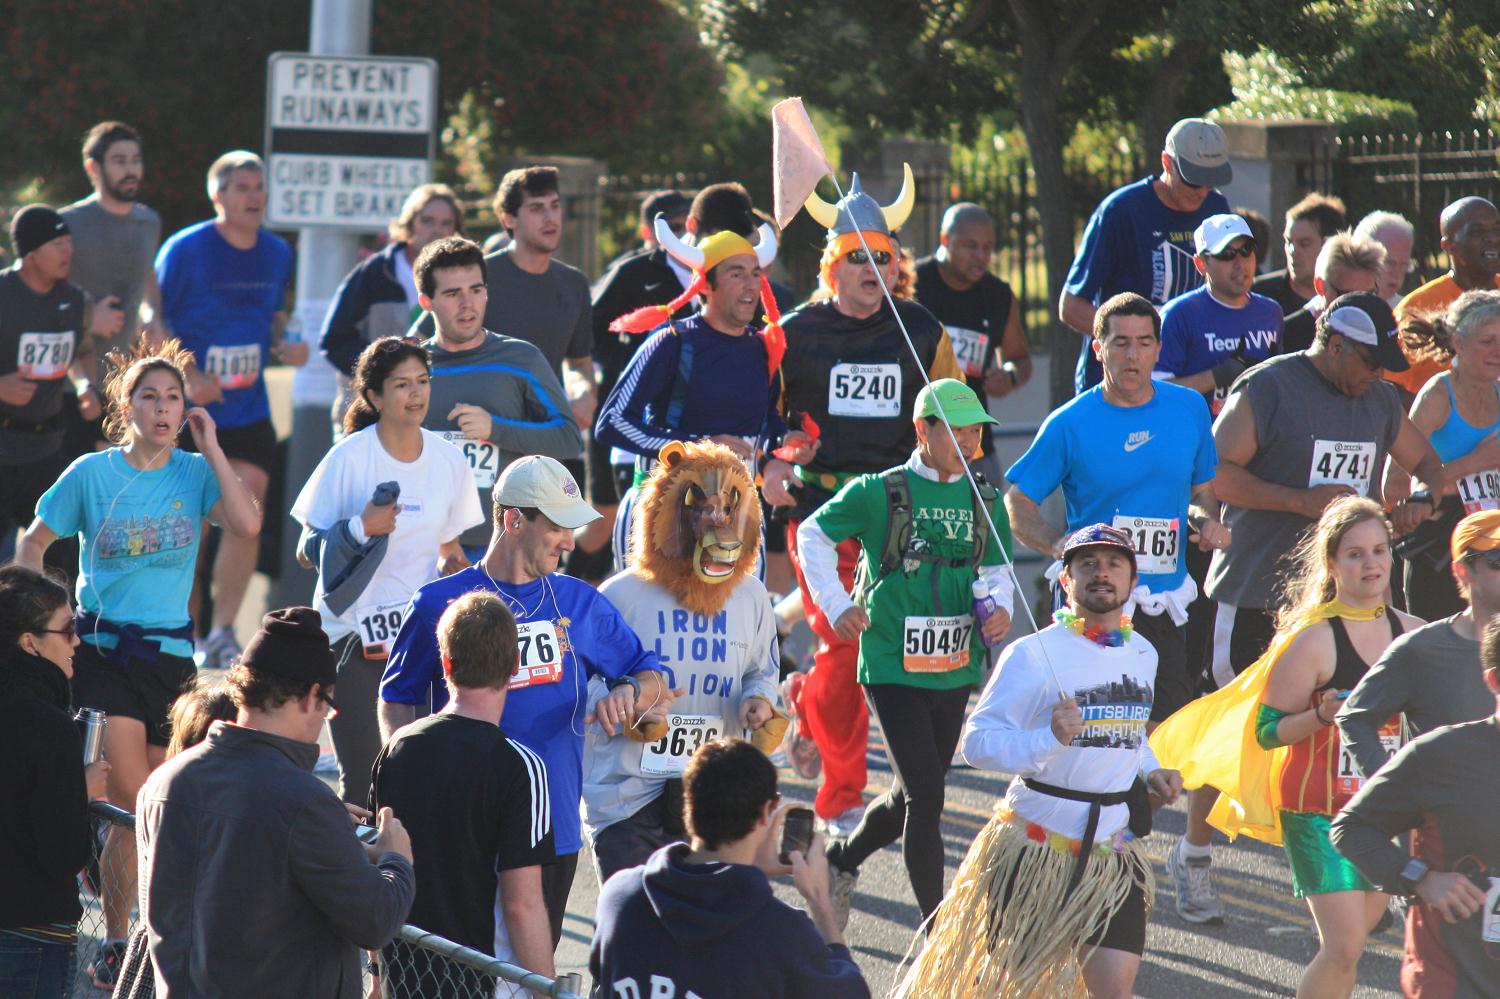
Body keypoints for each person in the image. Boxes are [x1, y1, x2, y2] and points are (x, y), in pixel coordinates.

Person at [1183, 292, 1443, 924]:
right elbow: (1211, 472)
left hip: (1335, 604)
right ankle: (1192, 857)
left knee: (1340, 730)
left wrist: (1411, 501)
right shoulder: (1270, 387)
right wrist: (1303, 502)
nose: (1376, 375)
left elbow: (1427, 466)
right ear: (1333, 344)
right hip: (1252, 592)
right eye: (1366, 361)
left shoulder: (1379, 400)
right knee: (1242, 723)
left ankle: (1342, 872)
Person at [15, 337, 260, 988]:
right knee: (133, 794)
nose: (161, 406)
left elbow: (247, 523)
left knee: (162, 795)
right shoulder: (92, 475)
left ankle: (155, 923)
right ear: (126, 406)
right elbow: (34, 540)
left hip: (172, 655)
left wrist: (211, 446)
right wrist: (37, 617)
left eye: (173, 397)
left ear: (185, 409)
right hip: (100, 650)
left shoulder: (195, 471)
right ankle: (120, 939)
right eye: (148, 395)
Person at [378, 455, 665, 947]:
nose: (570, 542)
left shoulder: (579, 602)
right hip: (457, 829)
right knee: (449, 971)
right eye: (557, 527)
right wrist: (404, 787)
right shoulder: (437, 602)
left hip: (549, 829)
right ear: (514, 520)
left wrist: (628, 691)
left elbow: (653, 675)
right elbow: (396, 699)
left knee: (526, 971)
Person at [760, 165, 963, 837]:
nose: (872, 269)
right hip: (824, 514)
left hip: (903, 512)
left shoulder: (920, 329)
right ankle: (842, 794)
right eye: (858, 259)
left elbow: (956, 416)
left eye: (883, 257)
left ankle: (801, 698)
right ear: (832, 266)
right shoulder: (795, 333)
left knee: (900, 651)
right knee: (848, 648)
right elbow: (766, 422)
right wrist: (784, 448)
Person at [897, 524, 1182, 999]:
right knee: (1013, 988)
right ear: (1065, 581)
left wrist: (1150, 770)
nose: (1102, 573)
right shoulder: (1031, 655)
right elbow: (977, 742)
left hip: (1112, 854)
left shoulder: (1143, 653)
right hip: (1035, 850)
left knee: (1115, 990)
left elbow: (1127, 734)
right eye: (1087, 564)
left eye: (1114, 564)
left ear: (1133, 582)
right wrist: (1046, 739)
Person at [1154, 496, 1420, 999]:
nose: (1371, 564)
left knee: (1356, 943)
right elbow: (1267, 731)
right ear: (1332, 564)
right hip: (1319, 811)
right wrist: (1320, 716)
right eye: (1356, 554)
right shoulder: (1314, 641)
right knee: (1342, 947)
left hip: (1385, 811)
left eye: (1379, 551)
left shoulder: (1414, 634)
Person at [797, 379, 1015, 926]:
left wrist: (999, 608)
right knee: (927, 796)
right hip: (891, 660)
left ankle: (840, 859)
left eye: (974, 431)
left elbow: (994, 568)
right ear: (923, 430)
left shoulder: (985, 498)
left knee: (909, 796)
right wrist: (833, 602)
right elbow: (811, 534)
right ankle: (937, 930)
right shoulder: (879, 491)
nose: (969, 442)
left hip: (952, 665)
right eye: (958, 430)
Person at [136, 607, 415, 999]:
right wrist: (395, 858)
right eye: (327, 706)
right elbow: (375, 920)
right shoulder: (305, 801)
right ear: (311, 695)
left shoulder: (164, 781)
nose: (324, 719)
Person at [1006, 293, 1227, 738]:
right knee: (1101, 738)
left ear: (1158, 350)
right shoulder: (1070, 422)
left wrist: (1204, 521)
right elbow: (1017, 503)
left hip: (1167, 602)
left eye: (1144, 342)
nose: (1133, 355)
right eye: (1121, 343)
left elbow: (1202, 492)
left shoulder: (1188, 409)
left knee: (1162, 741)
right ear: (1098, 348)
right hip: (1098, 602)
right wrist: (1058, 544)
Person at [291, 336, 483, 804]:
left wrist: (457, 567)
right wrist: (360, 527)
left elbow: (448, 548)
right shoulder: (349, 457)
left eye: (422, 382)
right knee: (364, 783)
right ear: (375, 396)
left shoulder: (448, 460)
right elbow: (305, 550)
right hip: (352, 639)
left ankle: (411, 876)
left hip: (420, 640)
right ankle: (357, 876)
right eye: (401, 385)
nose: (416, 394)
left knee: (419, 779)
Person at [585, 439, 783, 882]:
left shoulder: (750, 594)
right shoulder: (620, 595)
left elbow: (762, 670)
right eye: (701, 508)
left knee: (703, 935)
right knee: (636, 929)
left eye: (728, 508)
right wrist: (628, 701)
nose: (716, 520)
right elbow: (583, 685)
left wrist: (759, 700)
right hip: (627, 796)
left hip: (713, 803)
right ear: (669, 511)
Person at [155, 150, 303, 669]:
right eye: (242, 187)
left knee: (249, 513)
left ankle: (222, 632)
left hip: (248, 408)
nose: (254, 197)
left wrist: (287, 344)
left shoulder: (277, 252)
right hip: (187, 412)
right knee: (188, 526)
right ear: (217, 195)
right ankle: (187, 631)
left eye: (259, 187)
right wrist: (189, 378)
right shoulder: (186, 250)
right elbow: (152, 320)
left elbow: (276, 317)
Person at [370, 591, 555, 998]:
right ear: (515, 665)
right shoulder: (520, 766)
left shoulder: (399, 747)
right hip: (483, 981)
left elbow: (380, 868)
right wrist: (548, 992)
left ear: (446, 663)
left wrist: (378, 976)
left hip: (407, 975)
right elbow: (521, 906)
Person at [589, 738, 870, 999]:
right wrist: (820, 901)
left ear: (687, 805)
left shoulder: (618, 897)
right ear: (765, 813)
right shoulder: (781, 932)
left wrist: (746, 870)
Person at [597, 216, 799, 574]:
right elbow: (610, 423)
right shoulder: (672, 341)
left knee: (738, 630)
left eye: (755, 273)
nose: (751, 286)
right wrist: (695, 447)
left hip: (737, 517)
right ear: (705, 284)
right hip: (664, 517)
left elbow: (768, 423)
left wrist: (785, 447)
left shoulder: (763, 348)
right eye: (736, 274)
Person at [1330, 616, 1500, 998]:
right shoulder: (1440, 755)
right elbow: (1352, 829)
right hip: (1454, 980)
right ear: (1494, 681)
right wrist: (1420, 878)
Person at [408, 236, 582, 562]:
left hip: (502, 549)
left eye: (476, 290)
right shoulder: (408, 367)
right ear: (426, 301)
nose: (467, 304)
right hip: (418, 547)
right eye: (452, 293)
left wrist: (494, 428)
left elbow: (569, 439)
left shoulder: (521, 358)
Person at [411, 166, 596, 444]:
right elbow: (414, 347)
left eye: (554, 206)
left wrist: (583, 391)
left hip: (542, 438)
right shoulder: (475, 276)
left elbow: (579, 362)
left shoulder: (573, 283)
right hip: (472, 435)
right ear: (509, 219)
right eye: (536, 209)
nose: (549, 218)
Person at [1060, 117, 1233, 393]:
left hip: (1183, 386)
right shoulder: (1121, 211)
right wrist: (1132, 341)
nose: (1201, 191)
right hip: (1116, 388)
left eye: (1210, 182)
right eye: (1193, 180)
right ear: (1166, 162)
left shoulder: (1216, 207)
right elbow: (1070, 307)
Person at [0, 566, 110, 999]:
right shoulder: (50, 727)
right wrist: (78, 792)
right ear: (30, 641)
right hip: (31, 934)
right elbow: (63, 854)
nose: (77, 641)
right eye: (67, 630)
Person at [1337, 508, 1500, 781]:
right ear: (1463, 570)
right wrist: (1398, 796)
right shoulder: (1421, 649)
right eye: (1497, 559)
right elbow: (1355, 719)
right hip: (1451, 821)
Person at [0, 206, 106, 577]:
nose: (68, 252)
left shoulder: (76, 300)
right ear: (30, 254)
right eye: (58, 244)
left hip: (46, 449)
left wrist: (84, 386)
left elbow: (82, 350)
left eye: (69, 243)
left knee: (53, 569)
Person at [1387, 290, 1500, 619]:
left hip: (1490, 544)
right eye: (1487, 341)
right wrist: (1473, 464)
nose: (1497, 351)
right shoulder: (1438, 396)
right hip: (1437, 550)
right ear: (1458, 343)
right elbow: (1394, 485)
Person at [318, 183, 462, 437]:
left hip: (435, 419)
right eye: (427, 220)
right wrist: (381, 372)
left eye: (445, 223)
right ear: (409, 223)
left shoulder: (462, 280)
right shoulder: (376, 272)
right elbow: (334, 341)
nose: (436, 230)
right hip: (369, 418)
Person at [914, 202, 1033, 482]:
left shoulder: (997, 295)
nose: (981, 256)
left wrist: (1010, 376)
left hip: (974, 449)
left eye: (988, 247)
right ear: (945, 240)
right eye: (971, 246)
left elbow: (1021, 359)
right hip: (915, 443)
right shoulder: (914, 285)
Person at [1156, 213, 1283, 414]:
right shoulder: (1178, 314)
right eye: (1226, 254)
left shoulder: (1270, 312)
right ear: (1201, 264)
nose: (1240, 263)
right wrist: (1215, 376)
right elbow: (1155, 392)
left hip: (1260, 438)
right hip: (1199, 438)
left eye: (1246, 250)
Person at [61, 121, 160, 366]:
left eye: (136, 160)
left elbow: (148, 275)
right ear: (93, 168)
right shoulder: (66, 224)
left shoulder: (149, 221)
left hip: (123, 382)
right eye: (119, 161)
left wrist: (152, 315)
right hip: (67, 382)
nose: (131, 170)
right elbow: (38, 292)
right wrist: (87, 319)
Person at [1387, 196, 1500, 398]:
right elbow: (1389, 387)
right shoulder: (1415, 308)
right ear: (1449, 246)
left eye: (1496, 229)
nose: (1493, 238)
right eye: (1477, 231)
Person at [1281, 231, 1386, 354]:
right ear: (1320, 286)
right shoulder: (1285, 336)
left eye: (1369, 296)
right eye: (1348, 297)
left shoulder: (1383, 335)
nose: (1359, 307)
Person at [1253, 193, 1348, 316]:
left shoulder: (1349, 295)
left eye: (1304, 243)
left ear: (1329, 245)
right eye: (1289, 242)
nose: (1293, 251)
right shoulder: (1259, 295)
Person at [1353, 210, 1418, 308]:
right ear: (1360, 257)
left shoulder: (1406, 312)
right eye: (1388, 263)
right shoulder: (1338, 307)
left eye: (1404, 265)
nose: (1397, 273)